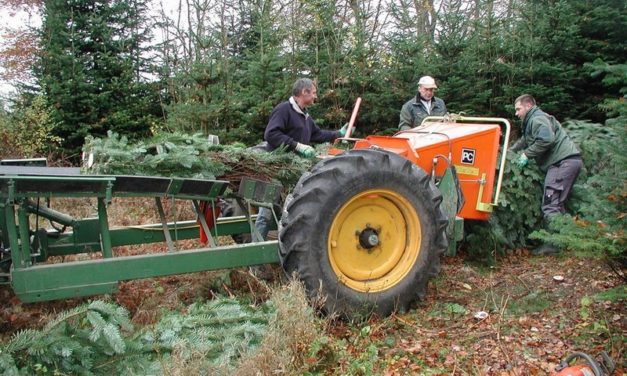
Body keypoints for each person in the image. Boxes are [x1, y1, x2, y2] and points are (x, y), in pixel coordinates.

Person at [255, 78, 347, 240]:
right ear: (304, 92)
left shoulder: (304, 115)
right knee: (265, 213)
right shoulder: (284, 110)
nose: (315, 97)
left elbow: (317, 135)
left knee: (289, 212)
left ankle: (283, 247)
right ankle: (254, 256)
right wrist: (297, 146)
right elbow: (271, 134)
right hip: (276, 169)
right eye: (313, 93)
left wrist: (338, 134)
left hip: (294, 171)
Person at [510, 94, 583, 254]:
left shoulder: (537, 119)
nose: (516, 113)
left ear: (528, 106)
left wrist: (527, 155)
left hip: (562, 163)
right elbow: (525, 139)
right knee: (557, 203)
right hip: (568, 161)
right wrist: (510, 152)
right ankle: (566, 240)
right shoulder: (534, 120)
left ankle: (553, 245)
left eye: (518, 109)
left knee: (551, 203)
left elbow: (546, 139)